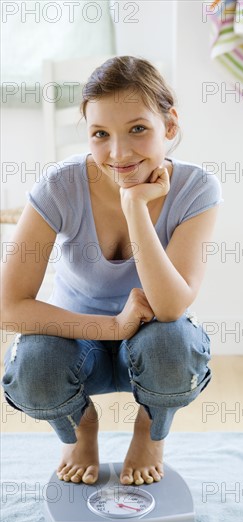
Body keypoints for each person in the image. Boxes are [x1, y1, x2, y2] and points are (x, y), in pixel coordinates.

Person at [1, 56, 222, 487]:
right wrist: (113, 326)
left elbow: (171, 305)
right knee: (33, 367)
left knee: (173, 344)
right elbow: (7, 307)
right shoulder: (59, 186)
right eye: (100, 134)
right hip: (74, 346)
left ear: (170, 126)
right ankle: (81, 426)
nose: (118, 153)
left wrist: (134, 206)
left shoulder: (197, 189)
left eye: (138, 129)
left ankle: (150, 430)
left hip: (153, 345)